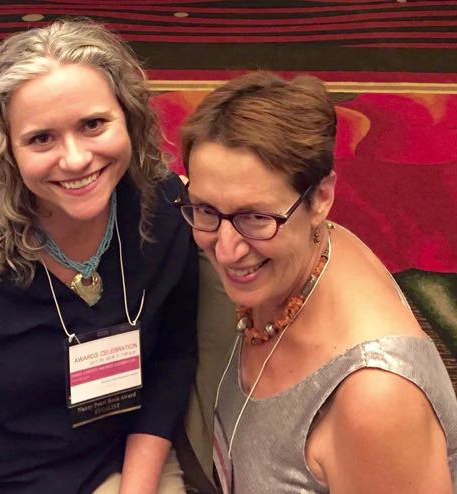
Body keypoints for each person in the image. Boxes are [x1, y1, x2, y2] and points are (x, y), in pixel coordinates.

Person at [0, 20, 197, 494]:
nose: (76, 159)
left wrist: (137, 488)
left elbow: (174, 354)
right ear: (5, 148)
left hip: (119, 465)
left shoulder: (162, 210)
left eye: (93, 124)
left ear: (130, 118)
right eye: (41, 138)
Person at [176, 71, 457, 493]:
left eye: (256, 217)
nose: (228, 250)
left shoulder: (374, 398)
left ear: (321, 198)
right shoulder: (302, 248)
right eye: (207, 210)